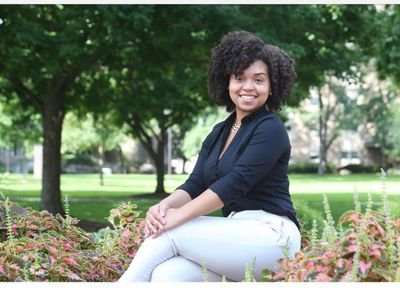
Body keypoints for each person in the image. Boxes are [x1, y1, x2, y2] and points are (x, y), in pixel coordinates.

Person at [119, 30, 300, 282]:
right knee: (167, 275)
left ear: (272, 87)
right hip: (237, 233)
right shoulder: (219, 132)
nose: (248, 87)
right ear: (227, 83)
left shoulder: (270, 128)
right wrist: (164, 207)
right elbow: (195, 183)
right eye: (239, 78)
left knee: (172, 231)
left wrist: (179, 217)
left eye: (259, 80)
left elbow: (234, 183)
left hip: (272, 236)